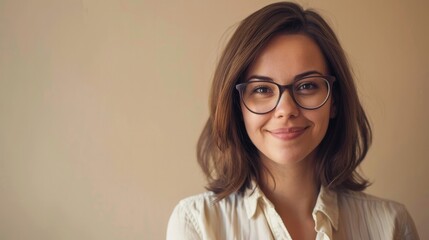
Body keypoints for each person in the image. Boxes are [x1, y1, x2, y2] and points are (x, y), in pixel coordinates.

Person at [167, 2, 419, 239]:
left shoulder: (391, 225)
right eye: (262, 89)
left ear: (335, 102)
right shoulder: (197, 223)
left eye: (307, 85)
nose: (286, 109)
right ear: (237, 107)